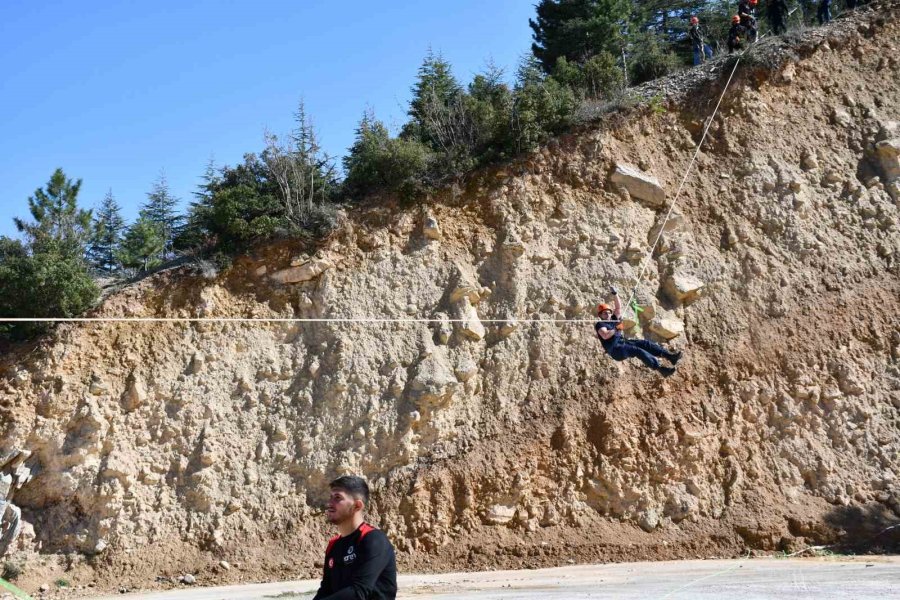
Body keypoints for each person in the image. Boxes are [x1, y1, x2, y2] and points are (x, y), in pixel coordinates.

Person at [313, 476, 397, 600]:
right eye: (330, 497)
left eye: (337, 498)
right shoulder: (333, 545)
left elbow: (359, 591)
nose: (329, 503)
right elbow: (326, 590)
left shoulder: (374, 539)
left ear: (357, 506)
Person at [594, 286, 681, 377]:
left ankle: (670, 356)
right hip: (615, 350)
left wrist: (615, 294)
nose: (607, 314)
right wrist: (616, 329)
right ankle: (661, 369)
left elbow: (618, 307)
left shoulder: (614, 319)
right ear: (600, 315)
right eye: (604, 313)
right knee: (637, 351)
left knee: (645, 344)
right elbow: (605, 335)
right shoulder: (600, 324)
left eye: (608, 312)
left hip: (623, 343)